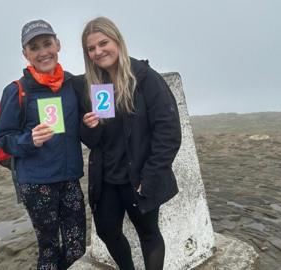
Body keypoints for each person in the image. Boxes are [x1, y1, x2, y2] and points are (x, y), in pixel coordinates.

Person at [79, 17, 182, 270]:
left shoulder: (145, 78)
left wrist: (150, 176)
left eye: (103, 43)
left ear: (117, 41)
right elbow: (95, 142)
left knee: (149, 234)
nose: (98, 51)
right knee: (106, 230)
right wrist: (89, 126)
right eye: (91, 48)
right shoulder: (96, 85)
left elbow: (168, 132)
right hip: (108, 179)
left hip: (139, 177)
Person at [0, 19, 85, 270]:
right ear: (26, 54)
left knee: (77, 247)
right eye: (34, 47)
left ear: (58, 45)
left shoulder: (72, 85)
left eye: (47, 44)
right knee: (49, 250)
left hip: (69, 179)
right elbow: (2, 139)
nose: (43, 52)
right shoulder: (17, 90)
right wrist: (29, 140)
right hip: (37, 183)